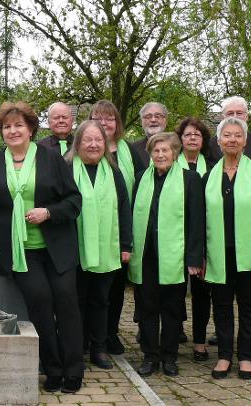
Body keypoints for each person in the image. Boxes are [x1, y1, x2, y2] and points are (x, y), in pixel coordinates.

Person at [0, 102, 84, 394]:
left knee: (66, 303)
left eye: (18, 125)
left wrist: (48, 212)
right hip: (20, 251)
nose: (13, 131)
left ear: (31, 128)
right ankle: (53, 369)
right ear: (2, 132)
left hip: (57, 247)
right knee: (41, 304)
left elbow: (74, 201)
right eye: (7, 126)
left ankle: (74, 369)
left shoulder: (51, 159)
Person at [203, 118, 251, 380]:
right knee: (222, 306)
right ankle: (224, 356)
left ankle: (245, 356)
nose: (232, 139)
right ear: (219, 140)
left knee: (249, 307)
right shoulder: (208, 176)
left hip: (249, 255)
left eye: (238, 135)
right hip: (218, 255)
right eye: (227, 135)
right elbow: (199, 221)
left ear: (246, 141)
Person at [130, 132, 205, 377]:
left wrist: (195, 257)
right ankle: (150, 356)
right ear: (150, 154)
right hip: (146, 254)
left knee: (172, 309)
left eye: (166, 151)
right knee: (147, 308)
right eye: (156, 151)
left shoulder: (190, 179)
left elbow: (197, 220)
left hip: (175, 255)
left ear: (175, 153)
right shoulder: (141, 178)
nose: (161, 155)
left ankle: (169, 357)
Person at [64, 120, 132, 370]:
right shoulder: (67, 168)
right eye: (87, 140)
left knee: (101, 300)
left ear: (105, 144)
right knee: (76, 300)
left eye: (98, 140)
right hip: (74, 249)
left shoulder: (113, 172)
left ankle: (99, 348)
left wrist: (126, 244)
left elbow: (124, 209)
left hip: (107, 248)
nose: (93, 145)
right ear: (77, 143)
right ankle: (77, 346)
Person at [89, 100, 145, 355]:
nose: (104, 123)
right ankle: (89, 336)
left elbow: (144, 187)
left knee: (115, 288)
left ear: (117, 123)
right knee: (90, 289)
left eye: (109, 118)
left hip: (120, 228)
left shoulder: (129, 152)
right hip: (89, 231)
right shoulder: (81, 152)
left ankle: (110, 333)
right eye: (98, 118)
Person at [174, 117, 214, 360]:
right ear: (180, 138)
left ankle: (199, 341)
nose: (192, 138)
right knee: (174, 291)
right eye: (188, 134)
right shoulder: (168, 163)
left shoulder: (213, 166)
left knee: (202, 292)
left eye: (197, 135)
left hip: (205, 237)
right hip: (174, 237)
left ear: (203, 141)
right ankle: (174, 334)